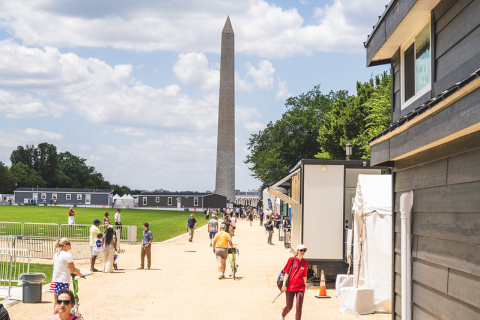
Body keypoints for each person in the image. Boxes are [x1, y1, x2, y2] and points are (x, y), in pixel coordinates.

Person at [50, 238, 84, 313]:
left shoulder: (56, 255)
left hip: (55, 280)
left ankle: (54, 317)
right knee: (63, 302)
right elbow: (73, 269)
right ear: (64, 246)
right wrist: (81, 275)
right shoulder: (68, 255)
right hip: (63, 280)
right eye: (69, 244)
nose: (70, 245)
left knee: (57, 301)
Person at [279, 244, 309, 320]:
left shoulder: (305, 263)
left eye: (304, 250)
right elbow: (286, 273)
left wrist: (304, 285)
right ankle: (282, 316)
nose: (303, 252)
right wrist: (284, 285)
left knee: (299, 307)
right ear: (297, 251)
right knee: (289, 306)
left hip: (300, 287)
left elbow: (304, 275)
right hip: (290, 287)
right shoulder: (291, 260)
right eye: (301, 250)